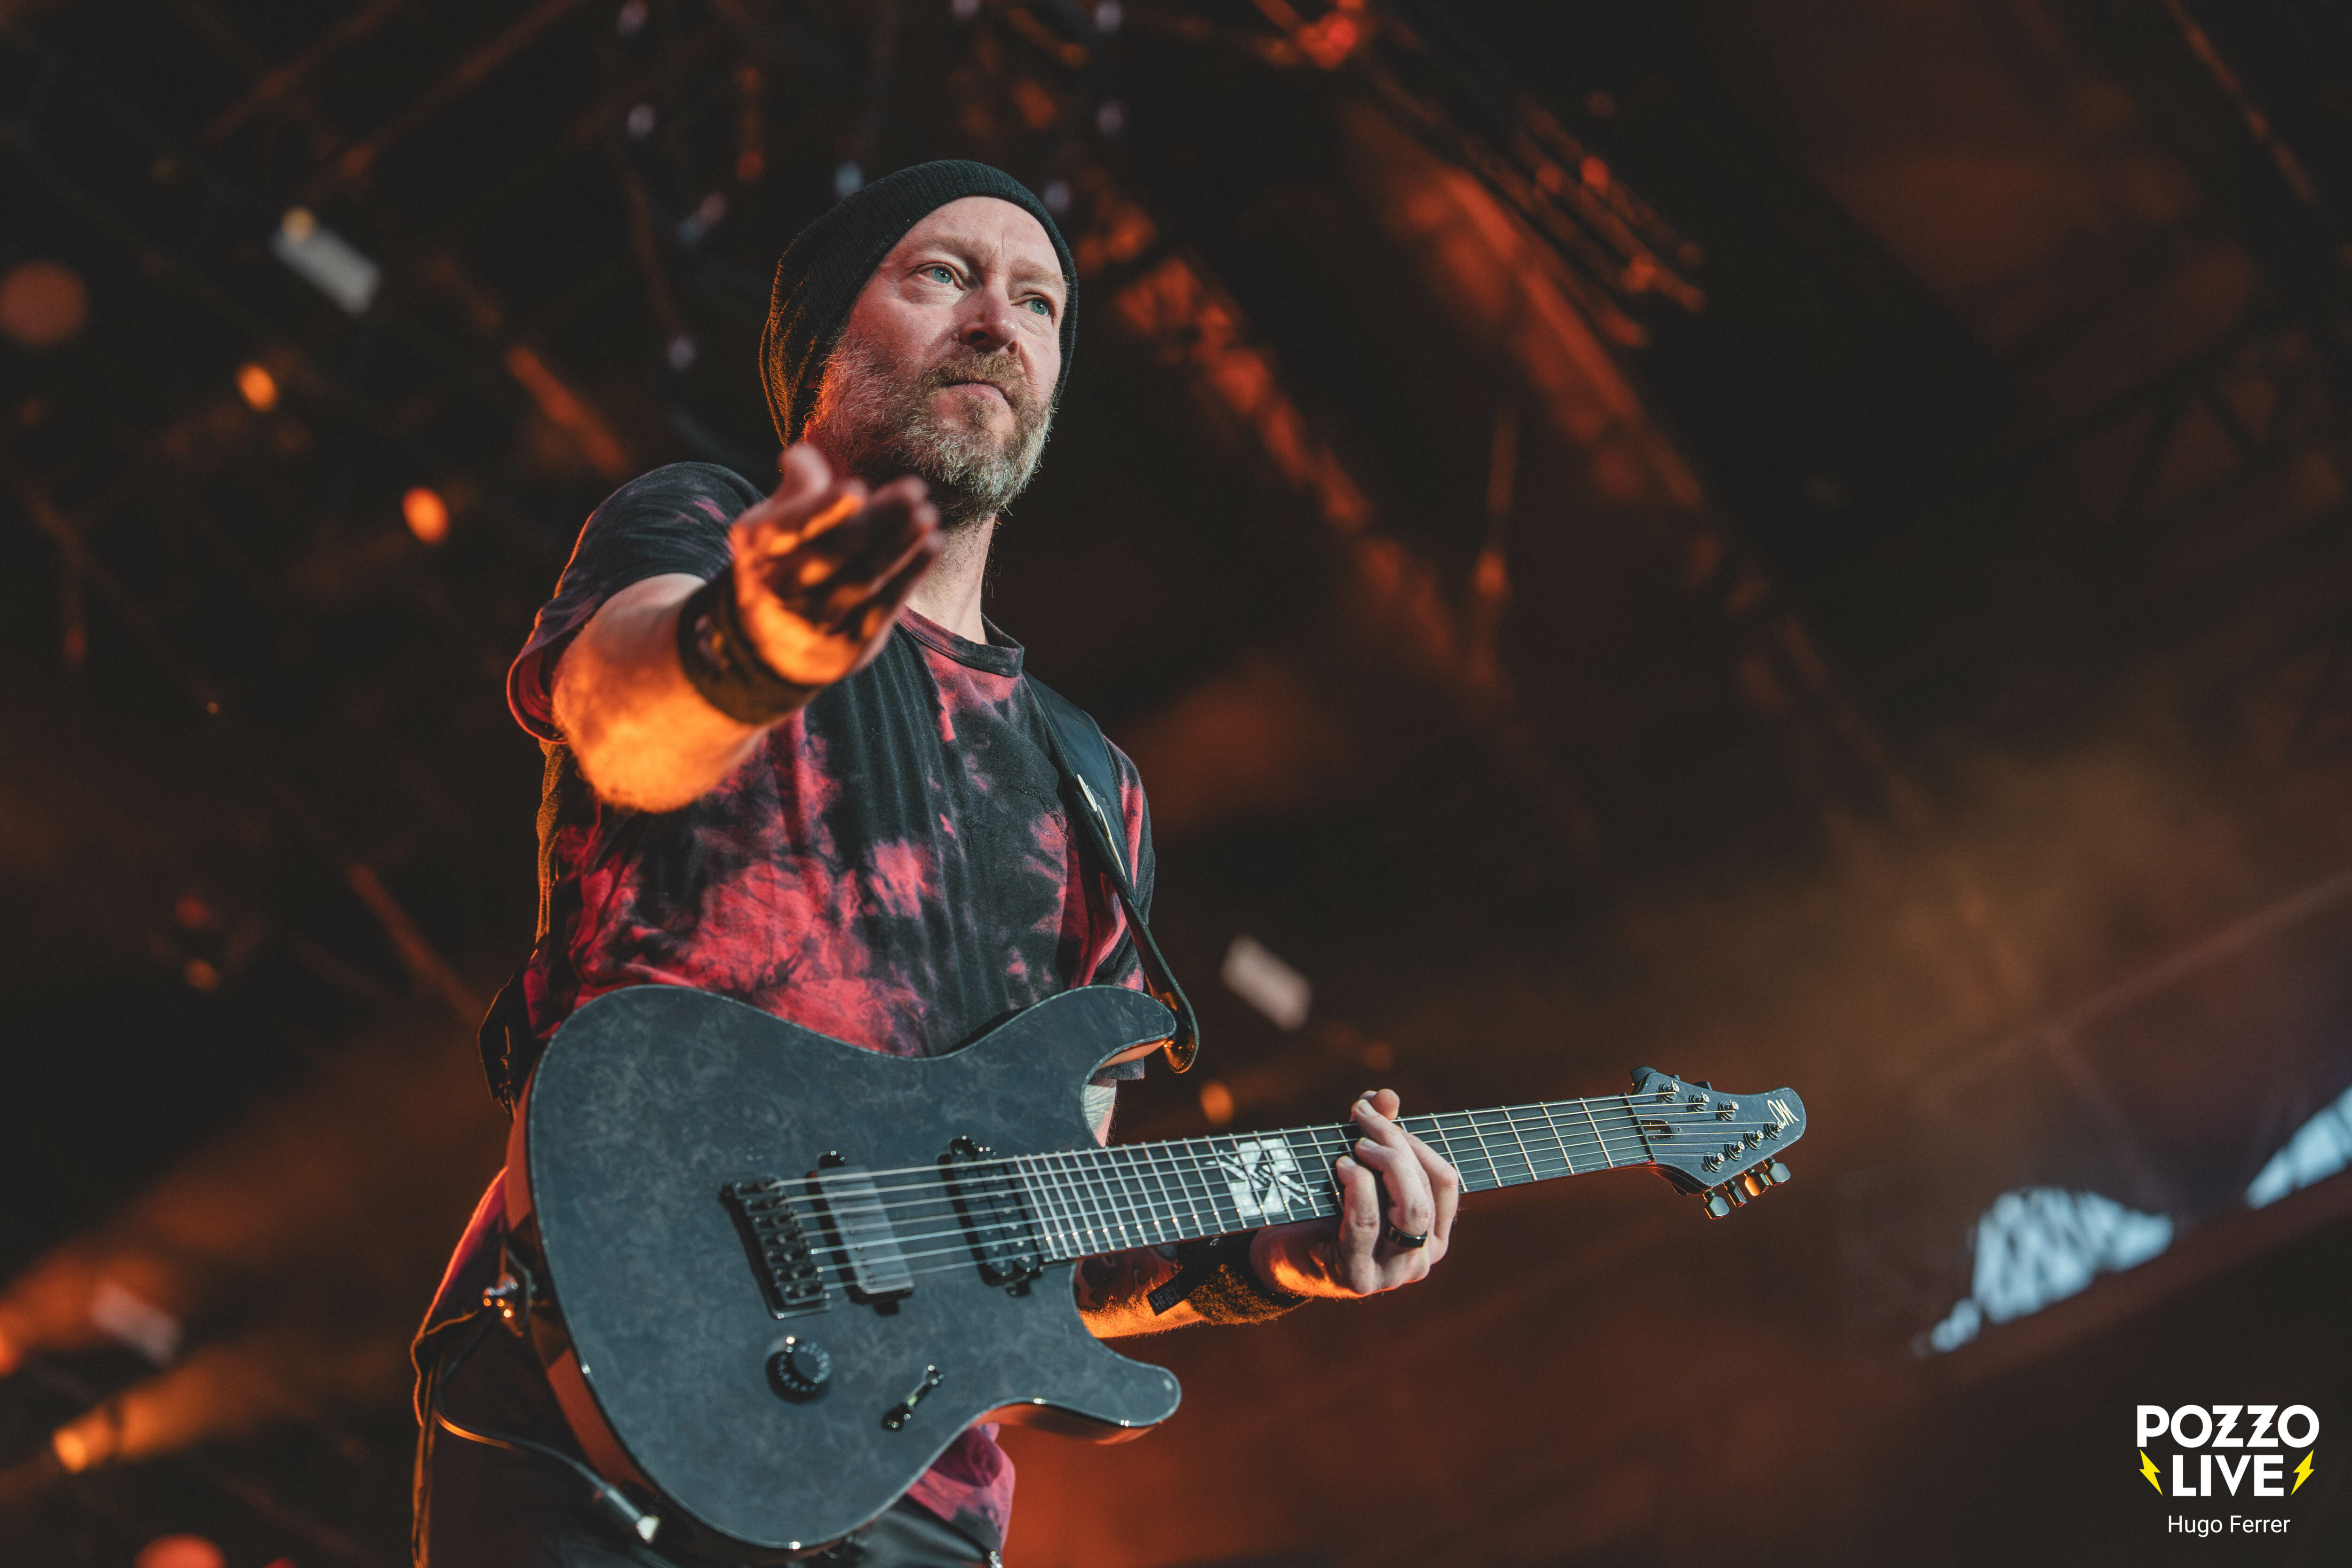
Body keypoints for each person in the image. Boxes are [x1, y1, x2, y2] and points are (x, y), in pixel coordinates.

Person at [411, 160, 1460, 1568]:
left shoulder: (1095, 790)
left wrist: (1279, 1261)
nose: (998, 321)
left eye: (1040, 303)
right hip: (604, 1383)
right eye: (942, 274)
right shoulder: (702, 532)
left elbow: (1038, 1247)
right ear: (822, 348)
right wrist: (749, 648)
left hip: (912, 1496)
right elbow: (622, 715)